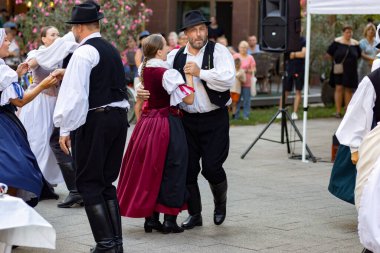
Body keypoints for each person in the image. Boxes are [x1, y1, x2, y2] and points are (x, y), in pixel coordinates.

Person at [137, 10, 235, 229]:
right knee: (187, 169)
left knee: (212, 167)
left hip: (215, 118)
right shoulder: (174, 56)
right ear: (186, 34)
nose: (199, 34)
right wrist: (140, 89)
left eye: (202, 29)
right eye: (194, 30)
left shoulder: (218, 51)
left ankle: (220, 203)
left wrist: (201, 72)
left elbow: (228, 80)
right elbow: (150, 70)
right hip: (185, 120)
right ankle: (195, 214)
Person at [52, 3, 129, 252]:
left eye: (74, 27)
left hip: (96, 119)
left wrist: (65, 128)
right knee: (105, 181)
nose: (73, 31)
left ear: (80, 27)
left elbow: (75, 95)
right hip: (118, 118)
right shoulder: (111, 49)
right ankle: (115, 243)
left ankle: (106, 244)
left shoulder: (83, 53)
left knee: (87, 182)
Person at [117, 33, 195, 234]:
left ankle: (151, 219)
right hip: (166, 124)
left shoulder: (145, 69)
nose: (168, 50)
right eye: (165, 48)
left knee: (150, 169)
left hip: (147, 124)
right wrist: (190, 77)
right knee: (173, 168)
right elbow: (189, 100)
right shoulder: (167, 73)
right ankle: (169, 219)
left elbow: (144, 95)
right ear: (159, 51)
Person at [24, 28, 83, 208]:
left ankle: (47, 183)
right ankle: (35, 184)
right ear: (43, 38)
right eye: (52, 35)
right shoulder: (37, 53)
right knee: (38, 143)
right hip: (38, 103)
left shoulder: (62, 55)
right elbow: (31, 65)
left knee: (54, 144)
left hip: (55, 104)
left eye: (58, 35)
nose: (56, 38)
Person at [0, 28, 58, 206]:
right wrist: (42, 85)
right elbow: (20, 101)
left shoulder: (5, 71)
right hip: (4, 125)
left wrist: (16, 75)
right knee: (17, 168)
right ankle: (11, 211)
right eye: (5, 40)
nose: (9, 43)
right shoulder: (3, 70)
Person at [326, 25, 361, 118]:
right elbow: (329, 53)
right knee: (339, 88)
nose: (349, 34)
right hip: (339, 69)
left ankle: (347, 112)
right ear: (343, 32)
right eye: (347, 32)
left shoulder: (355, 44)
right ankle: (338, 111)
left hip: (351, 71)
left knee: (349, 90)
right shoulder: (337, 42)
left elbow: (359, 55)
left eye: (350, 32)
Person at [277, 36, 306, 120]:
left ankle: (295, 113)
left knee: (298, 90)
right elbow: (286, 55)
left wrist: (294, 54)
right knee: (285, 91)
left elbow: (303, 54)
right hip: (289, 69)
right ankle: (280, 111)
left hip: (299, 69)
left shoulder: (303, 40)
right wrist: (296, 54)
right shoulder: (288, 40)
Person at [233, 40, 256, 120]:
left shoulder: (250, 58)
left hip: (247, 82)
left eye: (245, 47)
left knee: (246, 100)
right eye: (242, 47)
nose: (243, 49)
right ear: (239, 48)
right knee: (236, 100)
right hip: (237, 83)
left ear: (248, 48)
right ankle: (236, 115)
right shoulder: (235, 56)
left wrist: (245, 71)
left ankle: (246, 115)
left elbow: (254, 69)